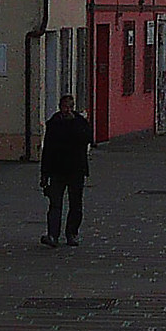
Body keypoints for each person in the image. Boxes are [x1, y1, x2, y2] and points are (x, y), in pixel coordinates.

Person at [39, 94, 92, 247]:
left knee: (75, 204)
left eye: (70, 107)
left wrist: (74, 125)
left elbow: (88, 138)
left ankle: (72, 233)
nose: (67, 110)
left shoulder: (80, 122)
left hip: (76, 170)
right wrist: (44, 174)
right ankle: (52, 235)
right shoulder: (54, 124)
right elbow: (47, 150)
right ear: (60, 107)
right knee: (55, 204)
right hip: (57, 170)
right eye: (64, 107)